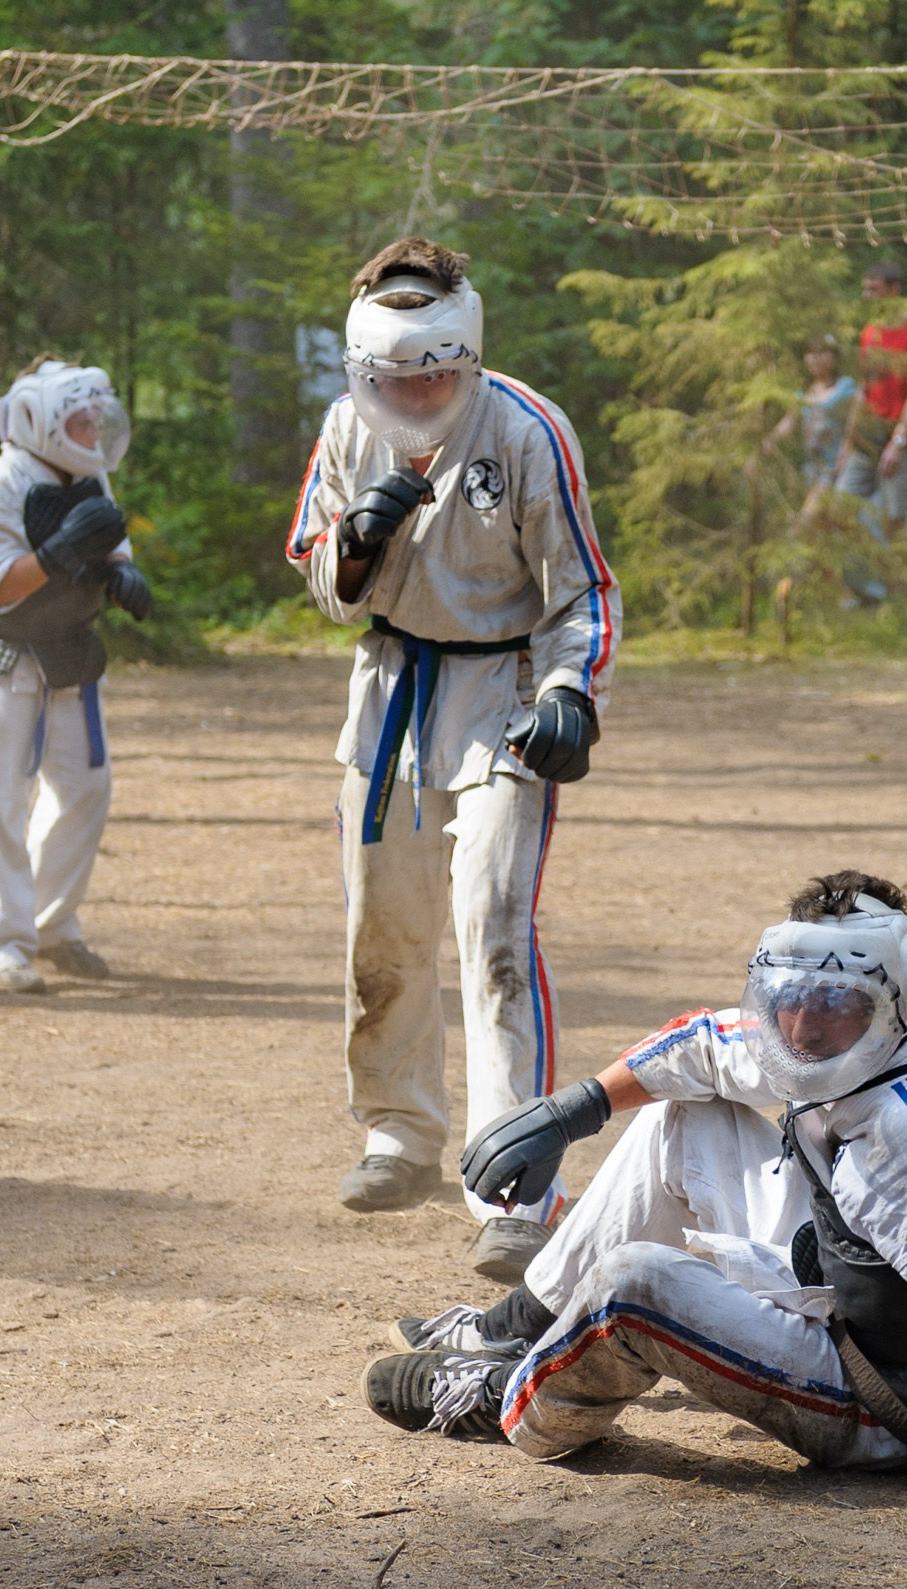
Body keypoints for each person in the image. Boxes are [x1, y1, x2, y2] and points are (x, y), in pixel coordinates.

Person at [363, 871, 907, 1556]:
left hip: (899, 1403)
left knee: (637, 1284)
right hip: (849, 1297)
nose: (802, 1025)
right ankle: (517, 1324)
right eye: (790, 997)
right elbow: (702, 1044)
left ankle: (516, 1402)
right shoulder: (877, 1029)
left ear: (892, 996)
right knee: (680, 1116)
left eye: (834, 1001)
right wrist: (574, 1108)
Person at [285, 237, 622, 1283]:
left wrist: (571, 691)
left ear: (466, 353)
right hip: (390, 692)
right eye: (396, 376)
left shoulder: (525, 432)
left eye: (434, 371)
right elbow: (318, 575)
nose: (416, 391)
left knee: (493, 927)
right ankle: (398, 1128)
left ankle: (513, 1176)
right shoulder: (348, 428)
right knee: (383, 927)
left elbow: (585, 592)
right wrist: (356, 543)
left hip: (503, 695)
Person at [0, 356, 152, 995]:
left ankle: (50, 922)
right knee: (0, 801)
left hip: (70, 652)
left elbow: (110, 540)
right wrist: (61, 550)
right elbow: (3, 588)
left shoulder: (91, 477)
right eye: (81, 419)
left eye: (98, 417)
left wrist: (120, 574)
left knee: (86, 789)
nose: (95, 429)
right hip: (5, 657)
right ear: (43, 422)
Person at [832, 261, 907, 561]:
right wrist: (848, 443)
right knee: (840, 507)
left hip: (905, 439)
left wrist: (898, 442)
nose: (868, 296)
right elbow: (865, 389)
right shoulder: (870, 333)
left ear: (894, 290)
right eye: (865, 289)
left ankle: (899, 598)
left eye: (874, 289)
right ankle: (871, 573)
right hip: (868, 435)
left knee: (894, 521)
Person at [758, 334, 857, 517]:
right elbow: (789, 422)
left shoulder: (845, 387)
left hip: (835, 467)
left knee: (805, 521)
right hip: (811, 468)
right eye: (809, 353)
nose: (814, 359)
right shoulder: (803, 392)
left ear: (833, 356)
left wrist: (847, 449)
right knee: (823, 527)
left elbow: (856, 421)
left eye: (820, 353)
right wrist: (767, 444)